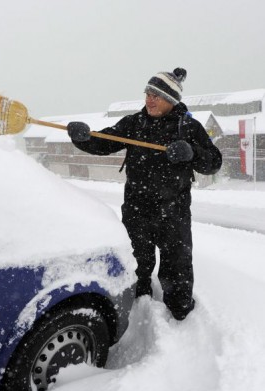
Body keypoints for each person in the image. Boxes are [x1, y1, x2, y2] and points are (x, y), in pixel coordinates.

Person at [66, 68, 222, 320]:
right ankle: (137, 309)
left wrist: (192, 152)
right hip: (137, 209)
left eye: (156, 95)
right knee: (136, 265)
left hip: (174, 212)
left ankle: (180, 316)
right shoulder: (134, 124)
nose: (149, 99)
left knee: (177, 268)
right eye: (148, 93)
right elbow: (103, 141)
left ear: (171, 100)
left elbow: (214, 162)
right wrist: (83, 138)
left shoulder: (189, 128)